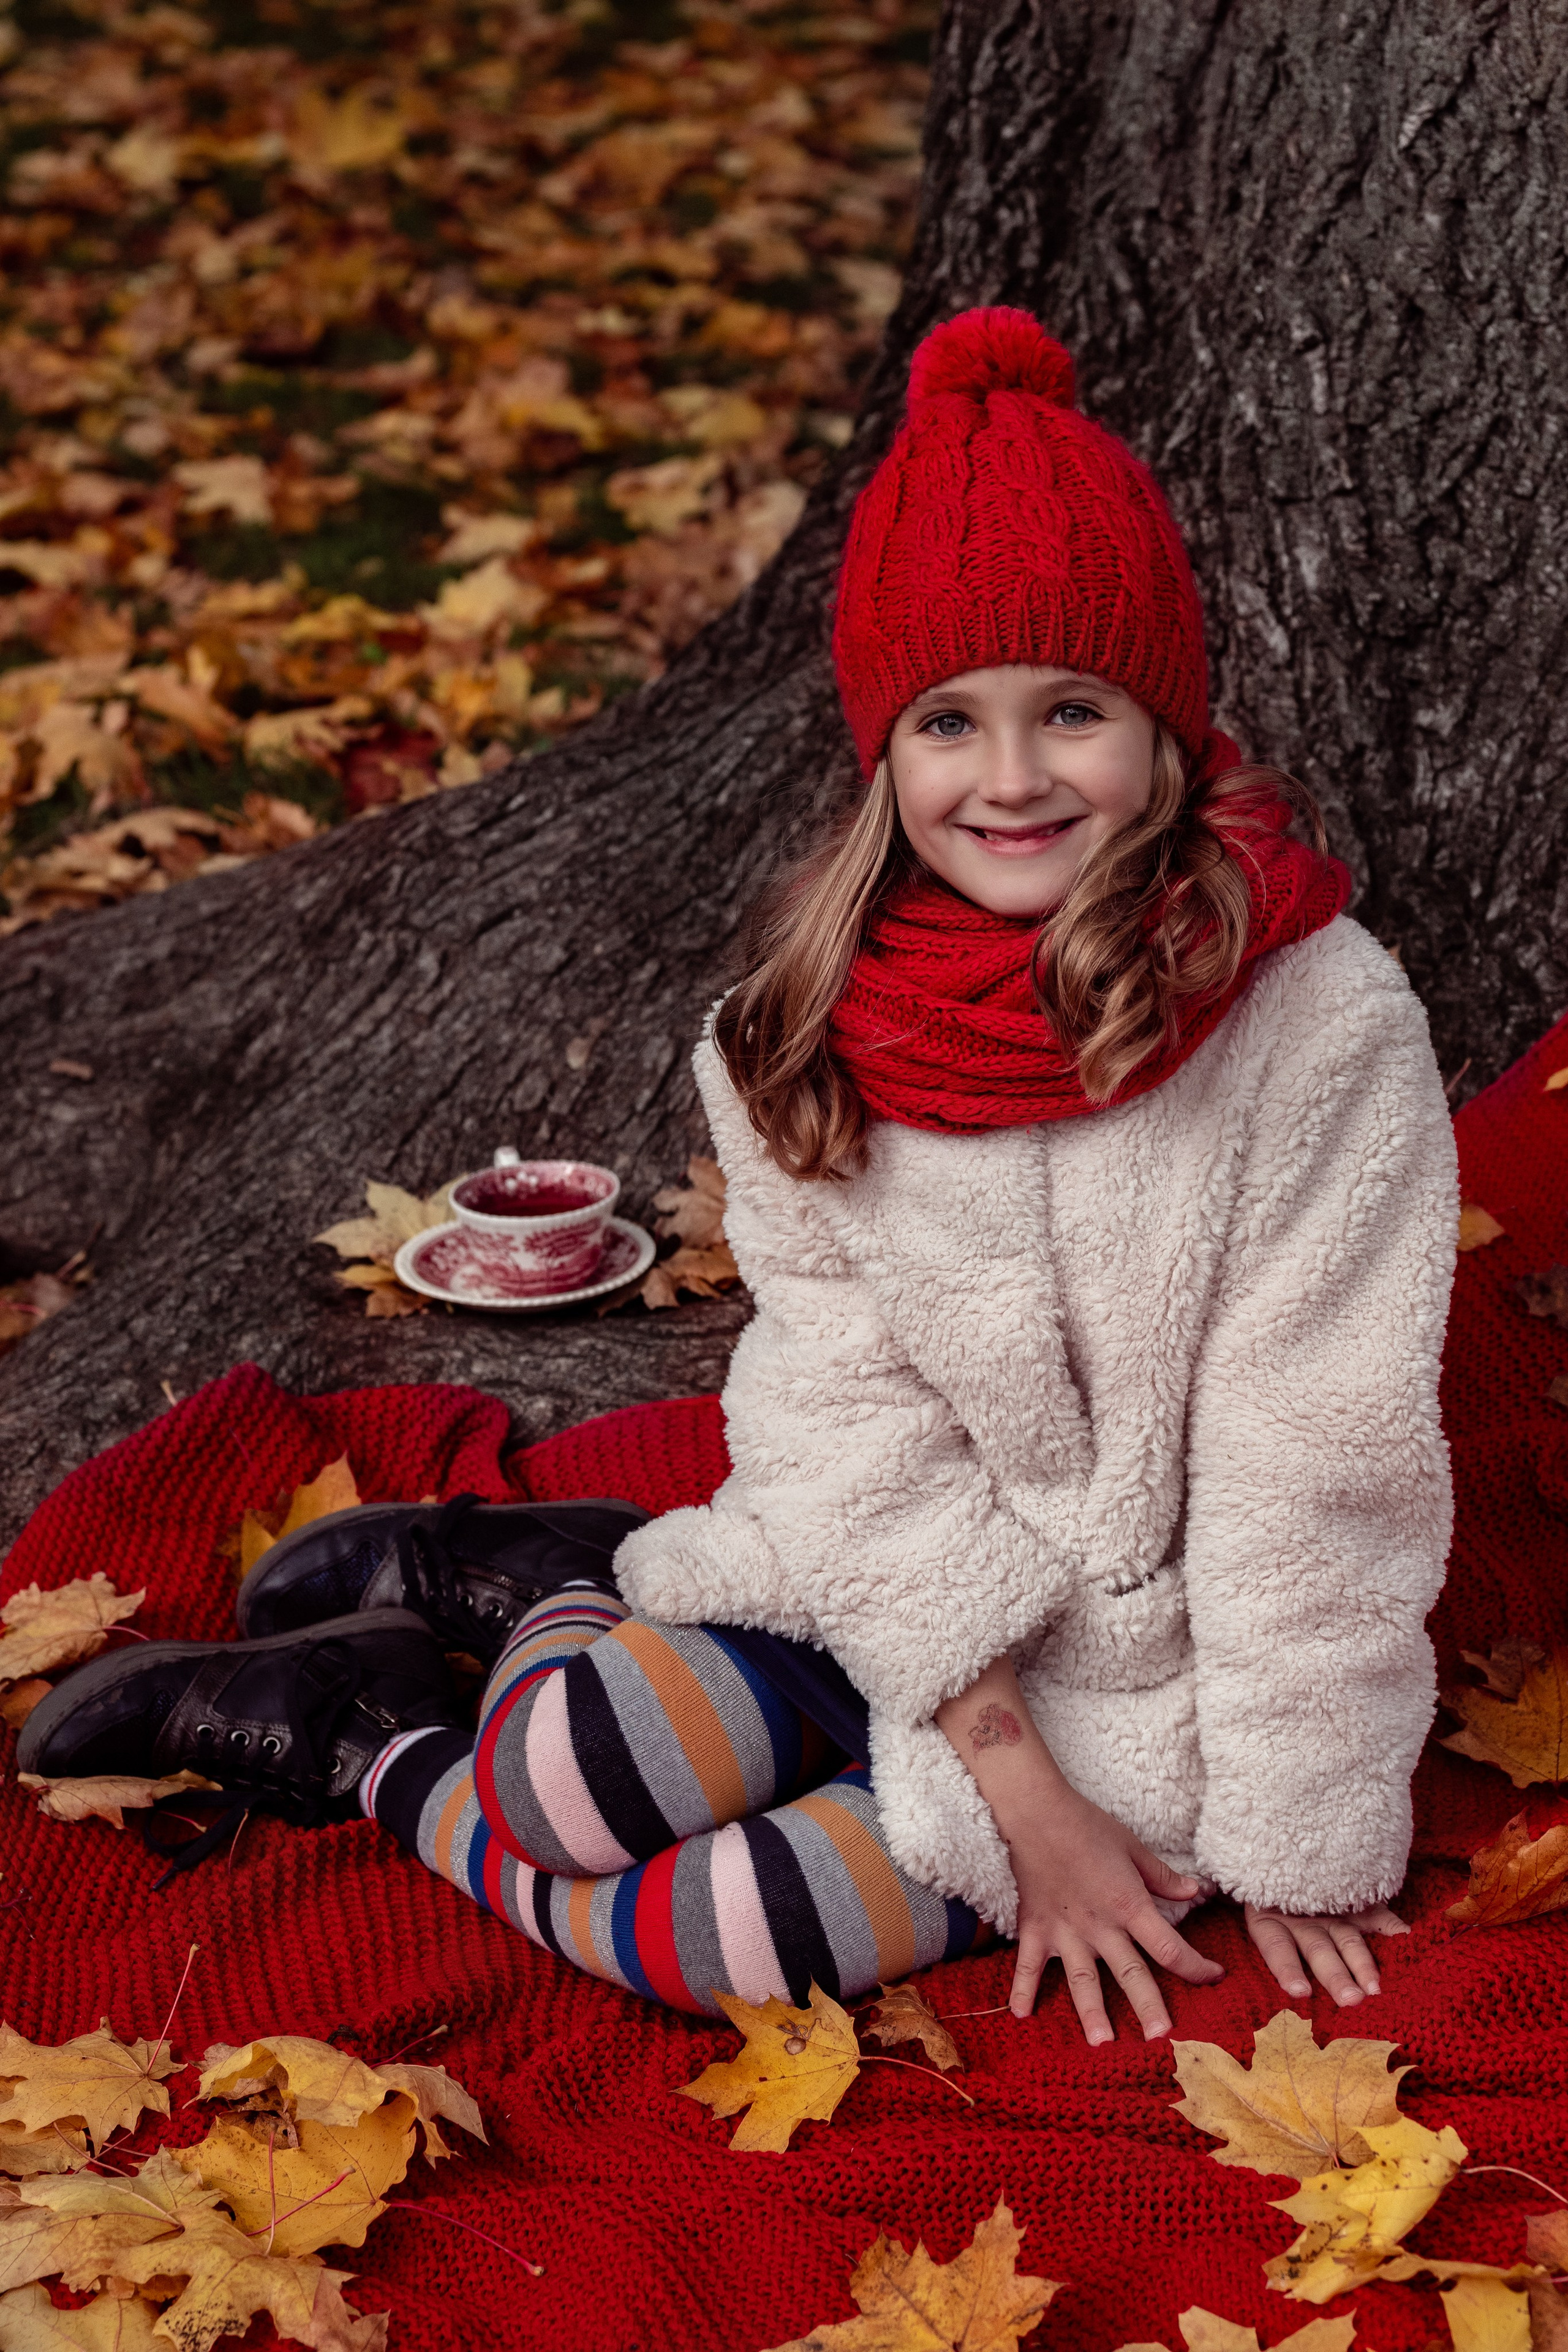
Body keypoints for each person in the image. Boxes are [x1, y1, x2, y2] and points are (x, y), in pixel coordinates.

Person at [21, 309, 1457, 2046]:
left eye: (1074, 710)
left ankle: (364, 1739)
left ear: (1163, 727)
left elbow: (1325, 1451)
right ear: (884, 746)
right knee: (558, 1783)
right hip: (882, 1573)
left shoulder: (1316, 1025)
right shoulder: (801, 1027)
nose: (1010, 779)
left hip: (1141, 1671)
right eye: (950, 722)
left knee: (704, 1941)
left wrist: (1302, 1831)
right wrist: (998, 1766)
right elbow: (845, 1407)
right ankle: (530, 1587)